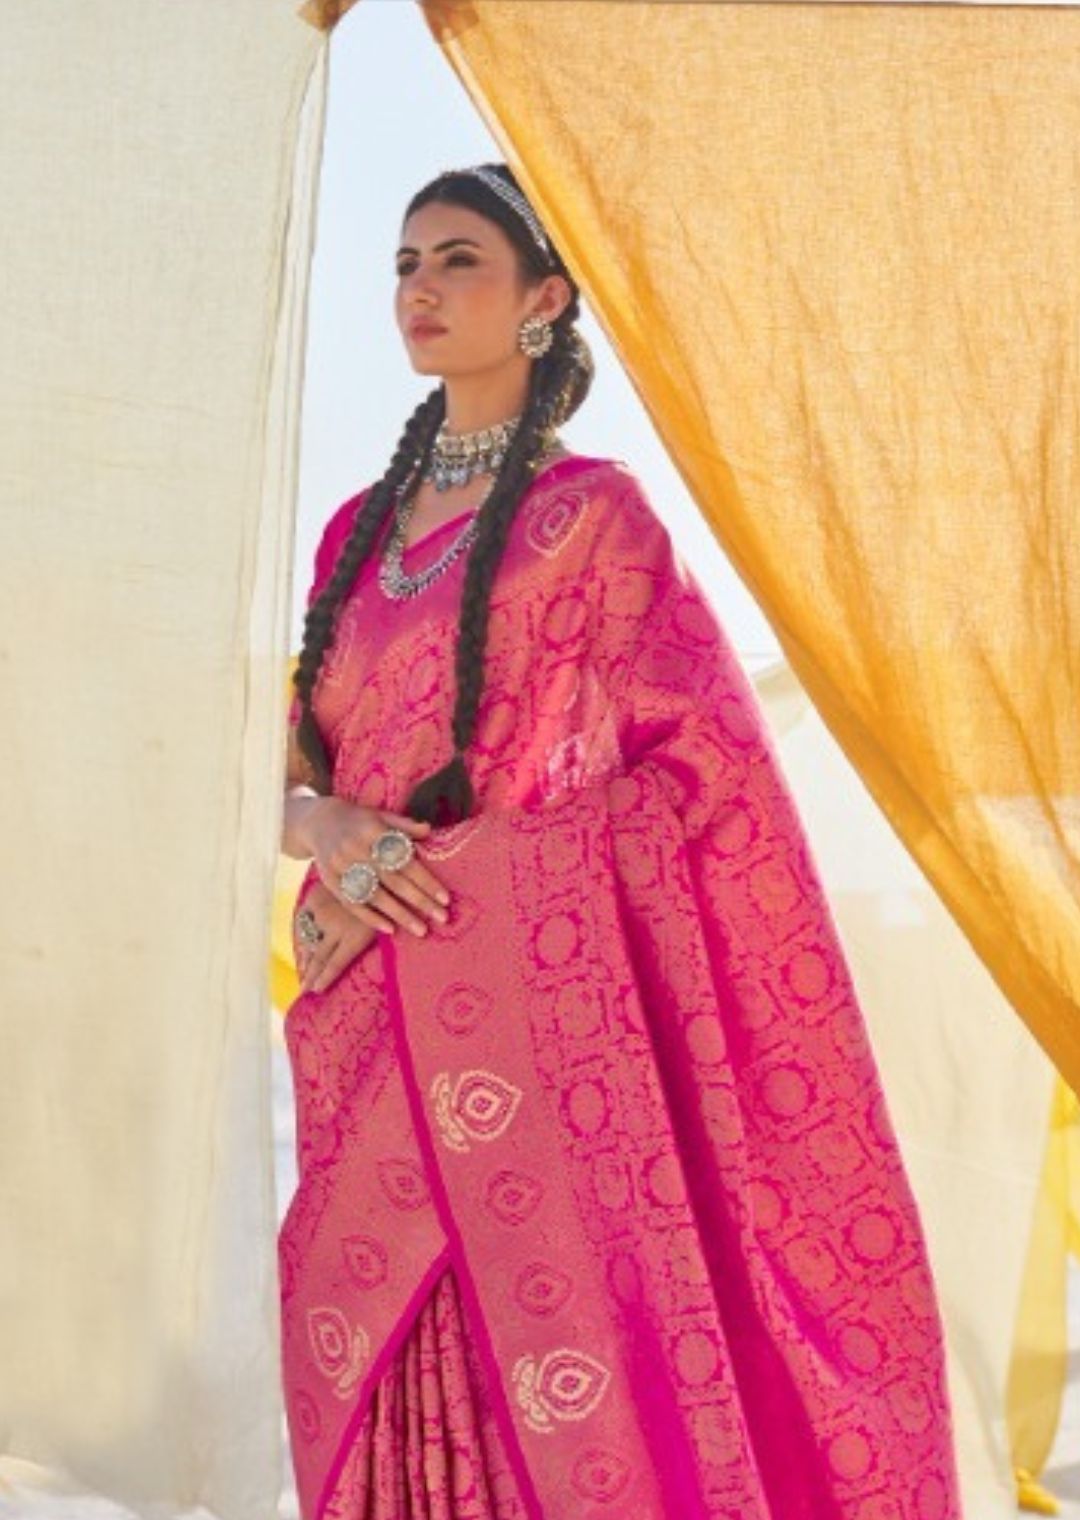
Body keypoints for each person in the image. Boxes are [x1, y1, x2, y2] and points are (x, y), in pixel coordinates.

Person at [278, 162, 963, 1520]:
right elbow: (291, 755)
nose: (419, 288)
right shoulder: (355, 537)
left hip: (521, 1030)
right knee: (360, 1356)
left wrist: (453, 873)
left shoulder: (593, 521)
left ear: (544, 298)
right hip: (359, 1015)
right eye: (406, 263)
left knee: (543, 1375)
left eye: (458, 260)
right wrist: (322, 827)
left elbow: (700, 779)